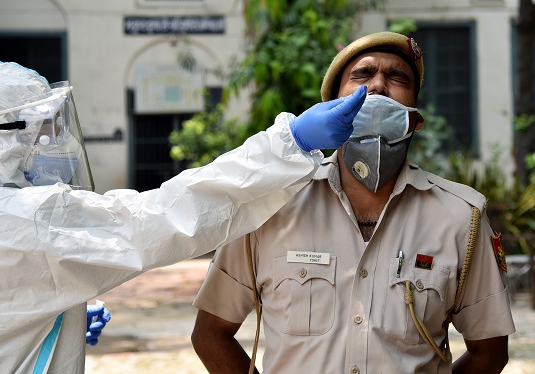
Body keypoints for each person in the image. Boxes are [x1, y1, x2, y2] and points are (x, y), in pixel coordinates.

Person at [0, 57, 366, 374]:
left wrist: (35, 313)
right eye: (45, 131)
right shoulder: (27, 218)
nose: (56, 142)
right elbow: (161, 218)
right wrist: (288, 144)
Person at [191, 32, 516, 374]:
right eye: (362, 75)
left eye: (397, 77)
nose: (377, 86)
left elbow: (490, 351)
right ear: (331, 109)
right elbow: (211, 334)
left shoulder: (462, 218)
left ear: (415, 120)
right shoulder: (271, 205)